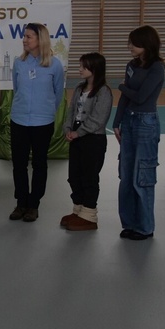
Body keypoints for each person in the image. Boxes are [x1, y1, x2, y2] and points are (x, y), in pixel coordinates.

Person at [9, 22, 65, 223]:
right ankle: (21, 202)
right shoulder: (19, 63)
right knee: (19, 164)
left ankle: (34, 205)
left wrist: (45, 111)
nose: (24, 40)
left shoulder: (55, 65)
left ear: (40, 39)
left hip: (43, 123)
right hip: (19, 120)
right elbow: (17, 89)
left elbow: (58, 94)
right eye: (24, 36)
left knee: (39, 164)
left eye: (28, 36)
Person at [113, 25, 165, 240]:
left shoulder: (157, 67)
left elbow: (142, 97)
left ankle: (145, 227)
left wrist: (122, 87)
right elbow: (126, 98)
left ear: (146, 44)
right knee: (126, 176)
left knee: (142, 176)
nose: (130, 47)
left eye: (134, 43)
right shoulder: (131, 65)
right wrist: (117, 121)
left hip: (146, 123)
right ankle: (129, 223)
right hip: (129, 120)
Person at [61, 52, 113, 231]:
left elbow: (98, 119)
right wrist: (68, 129)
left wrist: (79, 132)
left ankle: (89, 215)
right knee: (74, 176)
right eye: (80, 65)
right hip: (77, 137)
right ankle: (78, 210)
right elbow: (71, 111)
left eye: (84, 66)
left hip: (93, 139)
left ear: (95, 68)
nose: (80, 69)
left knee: (89, 177)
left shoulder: (103, 91)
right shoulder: (79, 88)